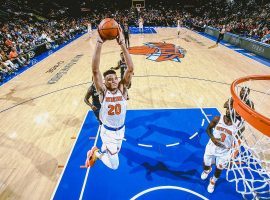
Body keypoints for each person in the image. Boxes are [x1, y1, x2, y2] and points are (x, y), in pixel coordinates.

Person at [85, 27, 134, 170]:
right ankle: (97, 153)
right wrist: (99, 43)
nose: (112, 81)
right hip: (108, 132)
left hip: (121, 130)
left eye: (114, 78)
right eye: (108, 79)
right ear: (104, 83)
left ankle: (103, 149)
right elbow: (95, 70)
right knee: (115, 166)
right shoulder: (103, 92)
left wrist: (122, 44)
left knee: (114, 152)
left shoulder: (122, 89)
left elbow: (130, 69)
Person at [201, 109, 239, 193]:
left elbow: (239, 141)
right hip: (211, 147)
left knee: (219, 169)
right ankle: (207, 171)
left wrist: (234, 154)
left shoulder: (238, 125)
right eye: (229, 110)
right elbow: (208, 129)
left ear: (236, 113)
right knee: (206, 165)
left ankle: (213, 181)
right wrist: (212, 138)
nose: (229, 112)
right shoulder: (217, 119)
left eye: (232, 111)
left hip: (224, 152)